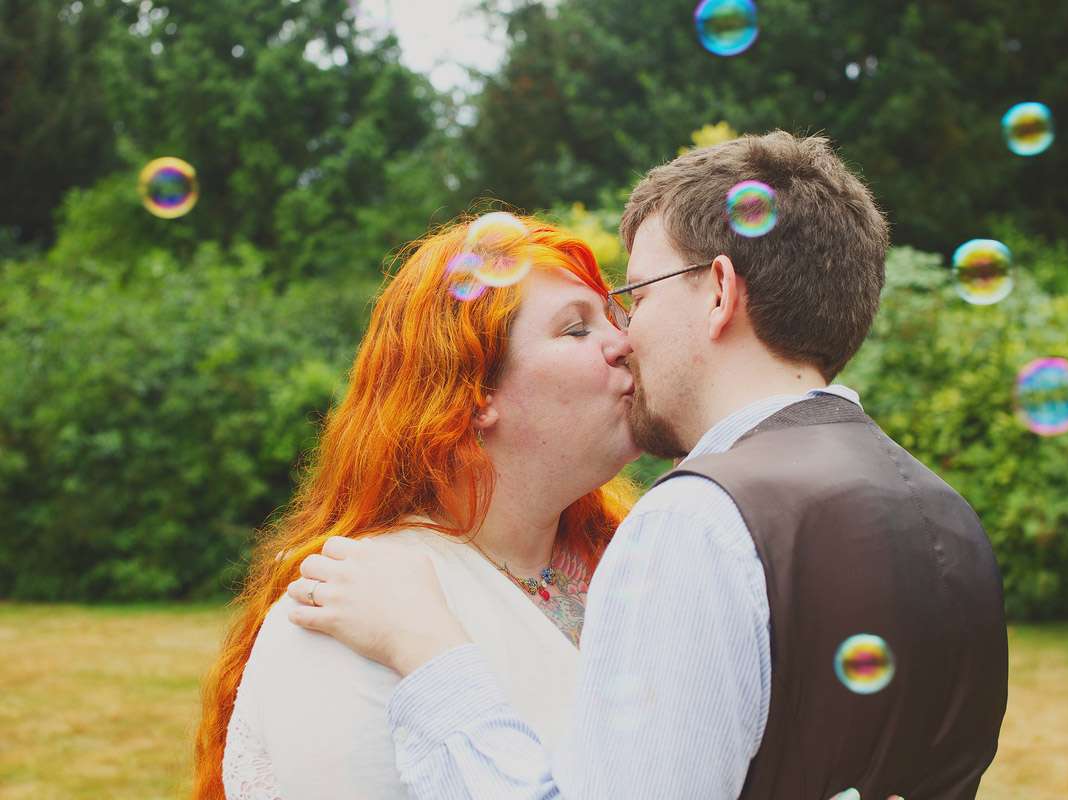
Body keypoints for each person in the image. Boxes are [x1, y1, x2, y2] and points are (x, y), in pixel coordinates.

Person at [289, 131, 1010, 800]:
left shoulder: (699, 520)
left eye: (636, 296)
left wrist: (430, 653)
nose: (626, 337)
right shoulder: (947, 513)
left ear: (719, 292)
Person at [191, 215, 643, 799]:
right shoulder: (347, 606)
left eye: (613, 317)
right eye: (576, 330)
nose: (625, 343)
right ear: (475, 394)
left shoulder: (627, 562)